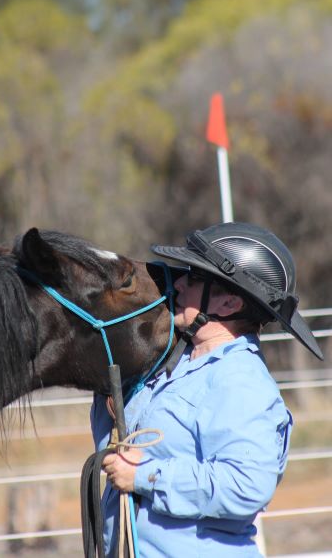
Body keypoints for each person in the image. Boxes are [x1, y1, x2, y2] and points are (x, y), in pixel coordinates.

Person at [91, 222, 323, 557]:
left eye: (196, 278)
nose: (180, 284)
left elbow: (247, 485)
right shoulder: (176, 362)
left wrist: (146, 475)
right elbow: (119, 446)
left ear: (228, 303)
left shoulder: (241, 382)